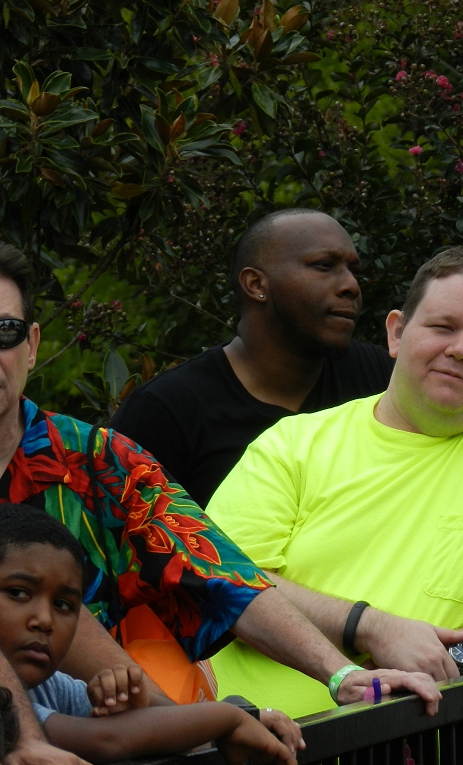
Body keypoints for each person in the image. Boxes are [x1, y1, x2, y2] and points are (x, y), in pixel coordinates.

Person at [0, 242, 440, 716]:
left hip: (92, 731)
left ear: (33, 345)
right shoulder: (166, 407)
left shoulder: (97, 458)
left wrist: (342, 674)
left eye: (5, 331)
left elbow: (222, 574)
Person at [206, 247, 463, 717]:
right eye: (442, 327)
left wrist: (442, 660)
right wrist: (371, 628)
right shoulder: (293, 443)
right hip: (259, 736)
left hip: (426, 738)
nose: (459, 349)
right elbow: (217, 576)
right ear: (396, 333)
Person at [112, 209, 393, 508]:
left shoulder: (382, 379)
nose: (351, 286)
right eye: (324, 266)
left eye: (354, 271)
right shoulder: (166, 412)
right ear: (256, 285)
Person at [0, 502, 304, 764]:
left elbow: (169, 715)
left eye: (63, 605)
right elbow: (106, 740)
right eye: (18, 593)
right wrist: (228, 717)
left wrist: (133, 701)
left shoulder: (52, 687)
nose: (44, 620)